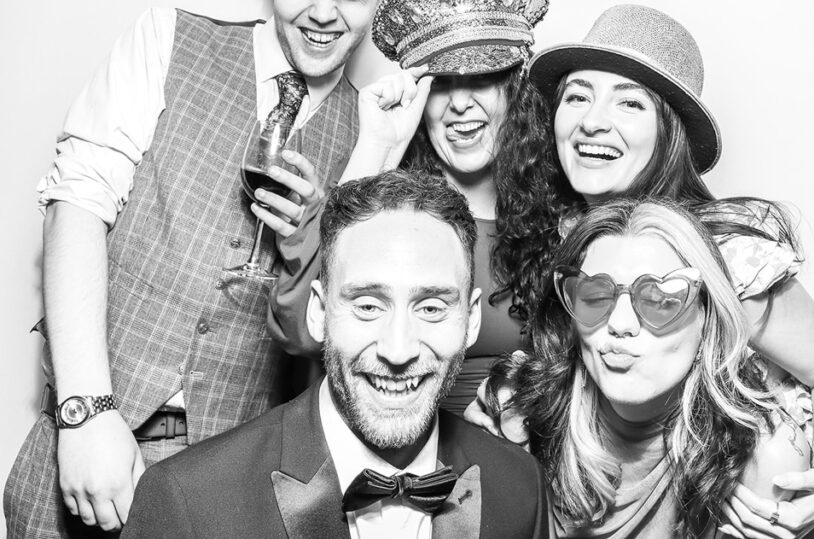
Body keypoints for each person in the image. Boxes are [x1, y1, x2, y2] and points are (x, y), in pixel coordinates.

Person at [4, 0, 414, 538]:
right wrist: (84, 413)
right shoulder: (166, 39)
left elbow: (330, 325)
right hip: (86, 442)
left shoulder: (373, 133)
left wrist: (368, 162)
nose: (322, 12)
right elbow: (76, 202)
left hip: (232, 489)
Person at [477, 4, 814, 537]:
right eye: (577, 96)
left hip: (775, 493)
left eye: (629, 103)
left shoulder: (722, 256)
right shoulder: (569, 237)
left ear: (669, 131)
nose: (593, 119)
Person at [121, 170, 548, 538]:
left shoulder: (520, 485)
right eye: (367, 306)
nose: (397, 350)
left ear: (471, 320)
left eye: (432, 308)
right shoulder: (188, 502)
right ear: (319, 313)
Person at [268, 0, 557, 411]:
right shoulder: (388, 202)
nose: (458, 104)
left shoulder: (554, 218)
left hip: (514, 464)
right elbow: (302, 330)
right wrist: (375, 147)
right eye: (440, 83)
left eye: (480, 79)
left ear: (514, 91)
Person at [500, 198, 808, 538]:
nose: (619, 324)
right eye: (595, 297)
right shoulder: (523, 415)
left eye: (660, 301)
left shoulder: (765, 459)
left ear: (708, 318)